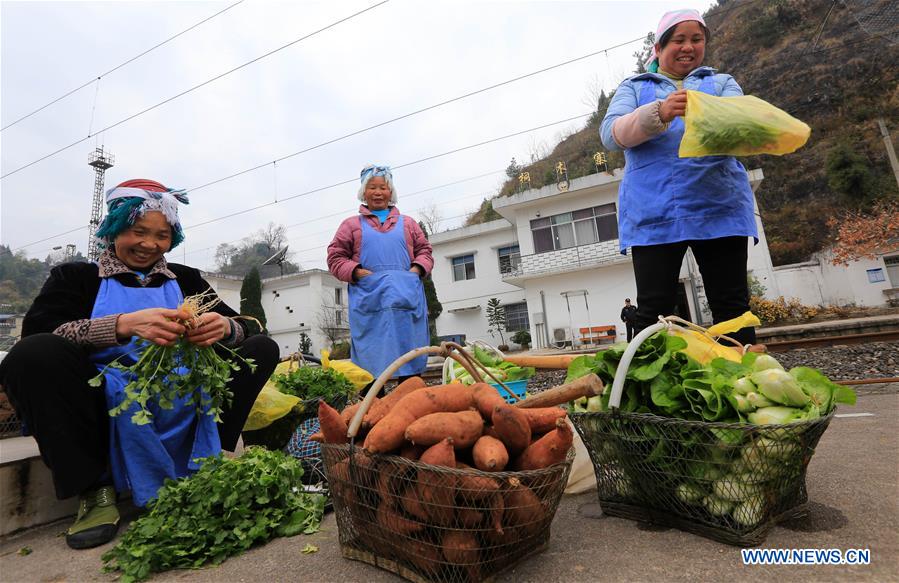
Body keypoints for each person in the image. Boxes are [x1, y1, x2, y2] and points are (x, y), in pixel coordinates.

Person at [0, 179, 278, 549]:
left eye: (162, 235)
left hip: (185, 394)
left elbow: (250, 326)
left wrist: (227, 328)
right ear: (114, 229)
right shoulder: (77, 278)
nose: (150, 244)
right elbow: (39, 333)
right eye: (138, 232)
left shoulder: (186, 279)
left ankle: (209, 462)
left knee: (261, 348)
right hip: (105, 399)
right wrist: (120, 325)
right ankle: (95, 490)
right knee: (33, 355)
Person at [600, 9, 757, 346]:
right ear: (658, 48)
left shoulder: (721, 83)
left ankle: (742, 375)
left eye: (697, 39)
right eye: (679, 40)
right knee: (653, 311)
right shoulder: (634, 87)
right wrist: (658, 112)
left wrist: (712, 113)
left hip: (719, 206)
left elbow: (743, 123)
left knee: (732, 307)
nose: (688, 47)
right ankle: (650, 379)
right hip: (654, 212)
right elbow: (611, 134)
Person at [326, 165, 433, 387]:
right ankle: (372, 408)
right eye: (372, 187)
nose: (378, 192)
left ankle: (410, 404)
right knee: (369, 370)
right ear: (363, 192)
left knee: (410, 361)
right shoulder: (351, 225)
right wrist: (357, 272)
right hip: (370, 303)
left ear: (390, 192)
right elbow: (335, 257)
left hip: (406, 301)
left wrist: (416, 270)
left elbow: (425, 251)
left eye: (383, 187)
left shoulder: (409, 224)